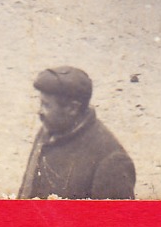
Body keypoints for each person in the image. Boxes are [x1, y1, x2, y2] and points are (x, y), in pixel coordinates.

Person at [17, 66, 135, 199]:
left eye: (46, 105)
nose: (40, 111)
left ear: (73, 108)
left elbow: (116, 218)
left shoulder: (112, 163)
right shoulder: (50, 129)